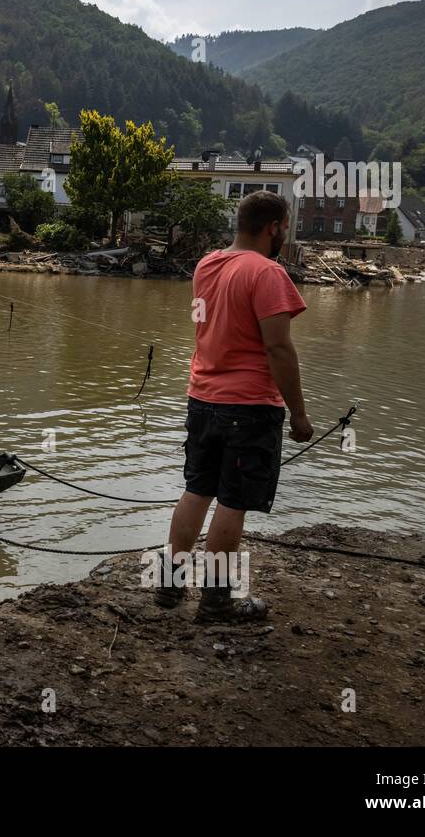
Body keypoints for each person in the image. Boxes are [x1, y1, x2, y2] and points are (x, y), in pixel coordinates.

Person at [155, 190, 313, 622]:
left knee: (197, 489)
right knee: (233, 501)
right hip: (249, 407)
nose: (286, 232)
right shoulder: (267, 273)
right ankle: (216, 601)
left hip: (202, 398)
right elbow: (278, 348)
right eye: (286, 226)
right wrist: (298, 413)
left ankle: (169, 587)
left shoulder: (208, 264)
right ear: (274, 227)